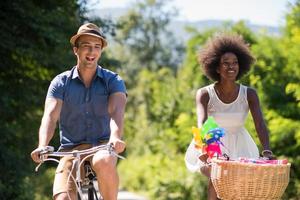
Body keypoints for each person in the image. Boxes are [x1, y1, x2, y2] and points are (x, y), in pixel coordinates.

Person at [31, 23, 127, 200]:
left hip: (103, 145)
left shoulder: (113, 80)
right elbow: (50, 116)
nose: (92, 52)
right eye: (86, 46)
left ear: (101, 51)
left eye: (97, 47)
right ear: (76, 50)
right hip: (70, 149)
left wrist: (115, 137)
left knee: (103, 161)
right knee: (63, 198)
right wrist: (42, 144)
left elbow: (116, 112)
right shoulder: (60, 82)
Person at [184, 33, 274, 200]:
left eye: (235, 63)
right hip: (212, 142)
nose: (231, 66)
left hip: (241, 144)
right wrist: (206, 150)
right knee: (216, 179)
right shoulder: (205, 94)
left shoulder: (249, 94)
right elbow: (202, 124)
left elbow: (260, 124)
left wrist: (267, 149)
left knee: (239, 189)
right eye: (226, 63)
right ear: (217, 68)